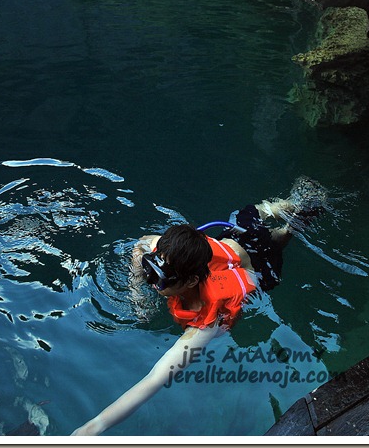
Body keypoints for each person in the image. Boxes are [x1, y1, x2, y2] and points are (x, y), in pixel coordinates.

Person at [71, 178, 325, 436]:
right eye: (150, 268)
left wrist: (92, 428)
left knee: (280, 239)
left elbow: (154, 380)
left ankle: (297, 217)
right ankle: (292, 203)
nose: (152, 281)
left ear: (191, 281)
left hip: (260, 266)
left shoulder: (206, 324)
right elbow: (142, 245)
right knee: (256, 215)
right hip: (235, 237)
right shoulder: (171, 255)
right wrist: (138, 291)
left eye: (160, 280)